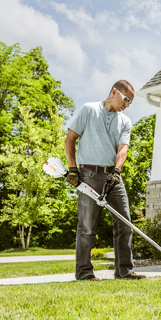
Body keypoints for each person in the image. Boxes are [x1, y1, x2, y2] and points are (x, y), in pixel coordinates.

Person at [64, 80, 146, 280]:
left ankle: (124, 271)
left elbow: (122, 149)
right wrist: (73, 168)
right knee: (87, 227)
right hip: (88, 174)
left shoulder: (124, 121)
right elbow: (70, 139)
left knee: (124, 224)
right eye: (126, 100)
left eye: (130, 103)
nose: (127, 105)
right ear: (114, 92)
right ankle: (84, 273)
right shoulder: (89, 110)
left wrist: (117, 171)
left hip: (113, 177)